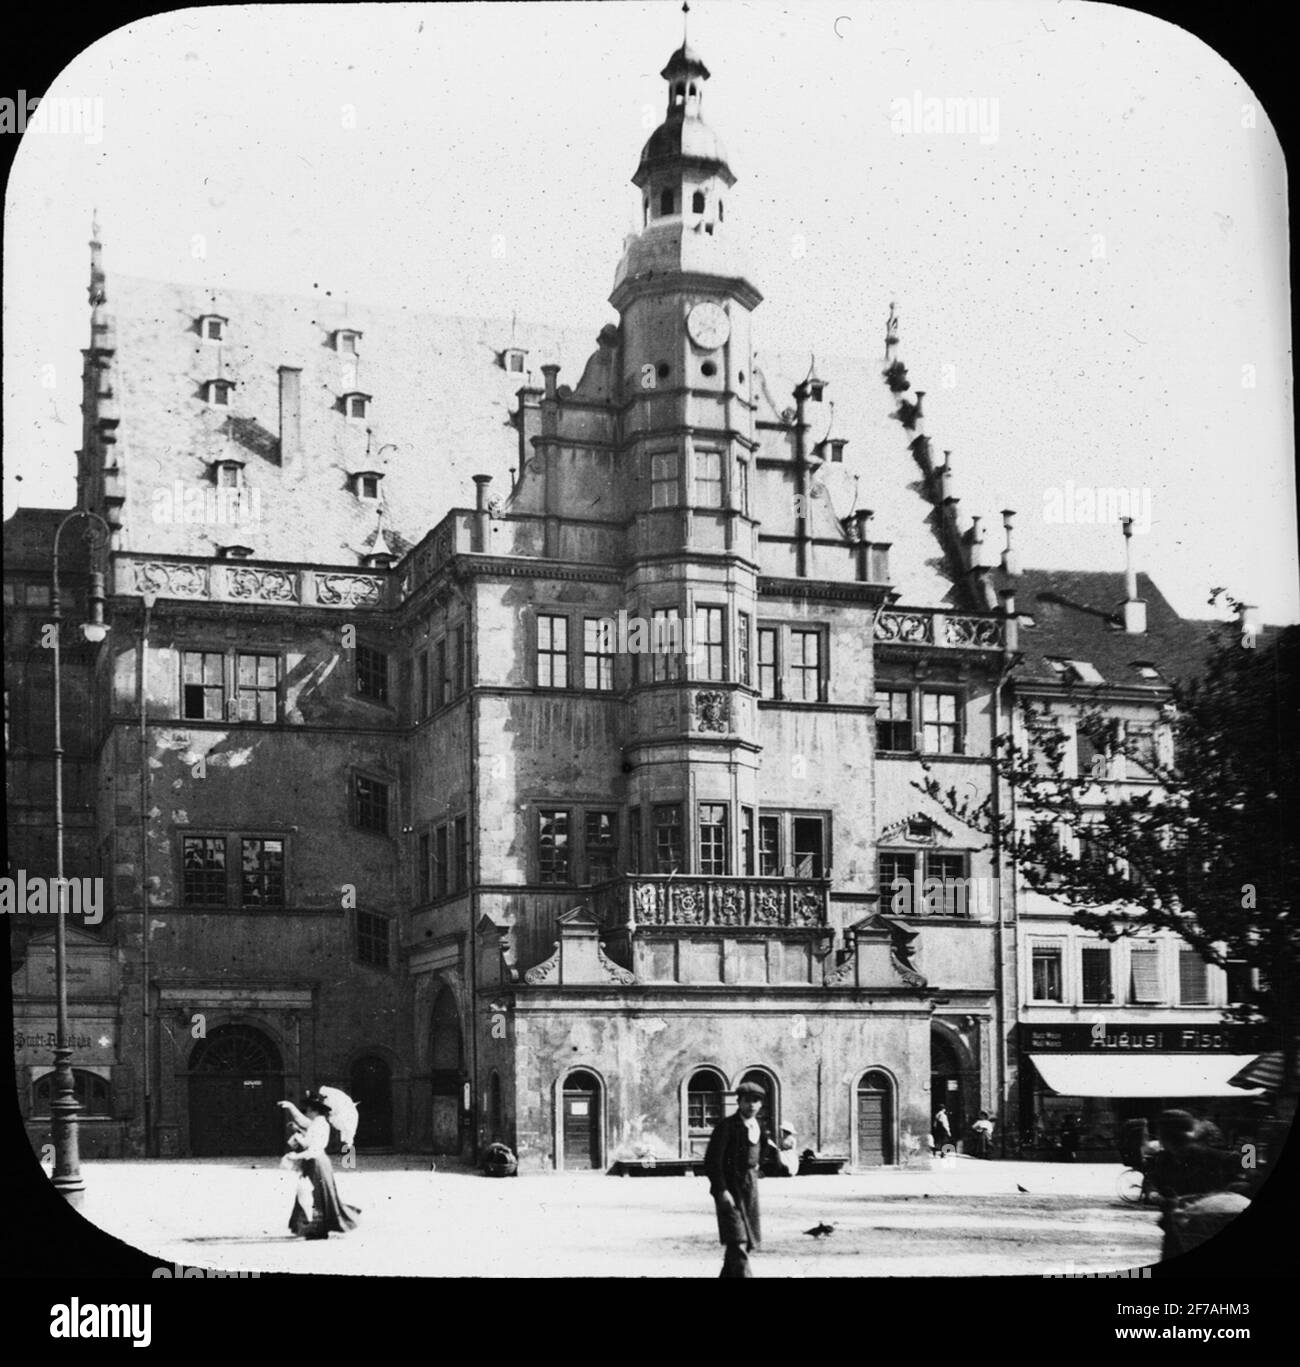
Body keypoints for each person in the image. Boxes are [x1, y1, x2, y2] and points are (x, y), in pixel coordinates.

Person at [1147, 1109, 1247, 1259]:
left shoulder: (1209, 1156)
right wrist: (1153, 1193)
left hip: (1205, 1227)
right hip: (1175, 1226)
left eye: (1161, 1133)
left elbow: (1245, 1163)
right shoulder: (1163, 1159)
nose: (1159, 1138)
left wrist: (1250, 1150)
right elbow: (1151, 1180)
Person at [704, 1080, 768, 1277]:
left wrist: (758, 1168)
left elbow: (763, 1152)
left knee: (745, 1239)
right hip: (729, 1189)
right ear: (739, 1102)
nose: (752, 1105)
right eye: (747, 1101)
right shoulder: (727, 1127)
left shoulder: (760, 1127)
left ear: (761, 1104)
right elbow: (712, 1161)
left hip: (750, 1188)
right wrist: (721, 1190)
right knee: (737, 1239)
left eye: (756, 1101)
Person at [278, 1093, 361, 1240]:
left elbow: (313, 1149)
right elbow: (306, 1136)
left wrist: (295, 1156)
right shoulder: (318, 1123)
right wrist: (296, 1127)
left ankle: (316, 1229)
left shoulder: (318, 1124)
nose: (307, 1112)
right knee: (313, 1194)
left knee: (313, 1195)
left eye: (308, 1109)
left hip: (316, 1161)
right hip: (316, 1162)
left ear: (314, 1110)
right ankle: (315, 1227)